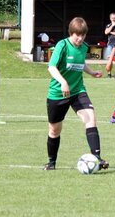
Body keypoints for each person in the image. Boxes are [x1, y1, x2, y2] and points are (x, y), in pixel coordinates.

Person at [43, 17, 109, 171]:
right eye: (77, 35)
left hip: (78, 91)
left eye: (82, 35)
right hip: (58, 94)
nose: (80, 39)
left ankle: (97, 158)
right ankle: (51, 162)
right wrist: (63, 82)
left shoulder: (84, 47)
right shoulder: (62, 45)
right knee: (54, 129)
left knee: (91, 117)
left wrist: (91, 72)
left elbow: (81, 63)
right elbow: (51, 67)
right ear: (71, 33)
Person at [104, 13, 115, 78]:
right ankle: (109, 73)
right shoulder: (108, 25)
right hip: (110, 44)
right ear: (110, 18)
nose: (113, 19)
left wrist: (110, 32)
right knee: (109, 59)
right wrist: (112, 26)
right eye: (112, 18)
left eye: (114, 17)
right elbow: (106, 32)